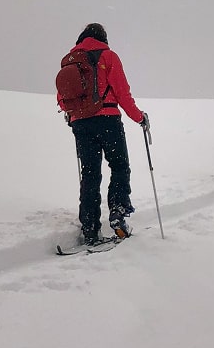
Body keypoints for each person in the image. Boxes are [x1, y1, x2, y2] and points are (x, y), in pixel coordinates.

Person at [56, 23, 149, 245]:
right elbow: (122, 93)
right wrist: (139, 117)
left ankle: (89, 228)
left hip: (81, 124)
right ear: (103, 37)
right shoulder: (108, 56)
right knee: (119, 166)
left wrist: (75, 116)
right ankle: (117, 212)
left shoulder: (70, 61)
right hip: (107, 119)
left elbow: (62, 98)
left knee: (90, 175)